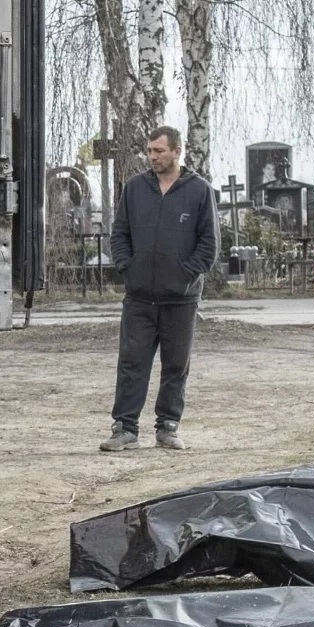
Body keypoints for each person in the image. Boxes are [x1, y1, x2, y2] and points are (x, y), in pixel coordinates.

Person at [99, 126, 218, 452]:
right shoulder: (136, 189)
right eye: (149, 151)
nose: (152, 157)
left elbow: (209, 244)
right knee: (131, 364)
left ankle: (168, 427)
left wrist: (185, 275)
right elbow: (119, 235)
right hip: (139, 297)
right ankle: (125, 429)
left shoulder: (199, 191)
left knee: (176, 365)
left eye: (159, 151)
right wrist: (128, 268)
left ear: (177, 151)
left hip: (181, 300)